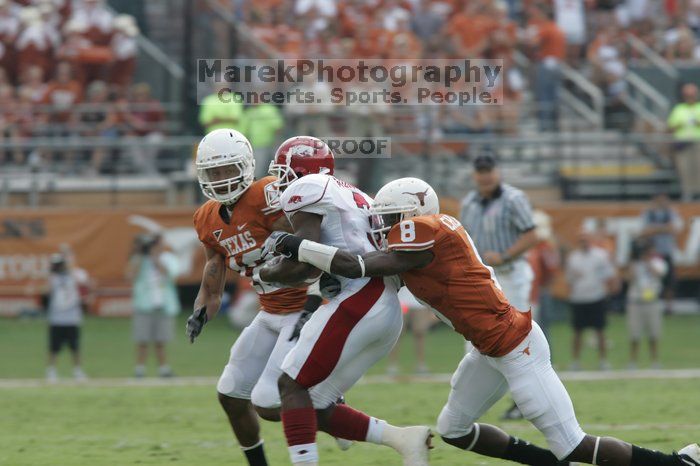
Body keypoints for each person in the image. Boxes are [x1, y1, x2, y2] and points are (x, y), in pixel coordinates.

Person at [264, 176, 700, 466]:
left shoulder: (425, 230)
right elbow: (364, 266)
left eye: (392, 218)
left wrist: (297, 246)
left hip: (517, 347)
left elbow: (359, 266)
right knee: (453, 430)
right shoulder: (420, 239)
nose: (386, 226)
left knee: (573, 444)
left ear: (414, 213)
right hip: (485, 348)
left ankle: (676, 463)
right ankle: (549, 461)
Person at [258, 136, 432, 466]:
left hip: (358, 298)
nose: (279, 182)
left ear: (301, 171)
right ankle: (404, 440)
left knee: (290, 386)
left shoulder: (309, 186)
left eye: (282, 173)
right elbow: (316, 262)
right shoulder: (357, 196)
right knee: (317, 405)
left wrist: (266, 274)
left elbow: (303, 264)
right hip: (384, 306)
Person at [184, 129, 327, 466]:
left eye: (228, 170)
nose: (221, 180)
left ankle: (332, 407)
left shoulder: (268, 194)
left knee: (268, 402)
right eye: (213, 173)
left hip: (301, 308)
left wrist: (311, 292)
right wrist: (201, 309)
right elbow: (215, 265)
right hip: (269, 311)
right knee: (231, 394)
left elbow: (310, 246)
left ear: (246, 166)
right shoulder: (205, 217)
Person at [460, 153, 538, 419]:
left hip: (511, 273)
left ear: (497, 172)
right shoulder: (469, 202)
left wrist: (505, 255)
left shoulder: (514, 199)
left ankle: (524, 401)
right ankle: (469, 402)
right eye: (481, 171)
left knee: (514, 338)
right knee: (476, 339)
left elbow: (532, 235)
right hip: (483, 279)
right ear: (475, 174)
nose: (485, 176)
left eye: (489, 170)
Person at [126, 232, 180, 378]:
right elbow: (131, 276)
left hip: (164, 305)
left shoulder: (167, 258)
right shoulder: (139, 259)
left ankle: (164, 369)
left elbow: (170, 274)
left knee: (161, 340)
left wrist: (155, 257)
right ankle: (139, 369)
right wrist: (140, 254)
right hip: (144, 304)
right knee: (142, 339)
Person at [565, 230, 618, 371]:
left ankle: (603, 360)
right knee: (577, 332)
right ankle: (575, 361)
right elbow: (569, 280)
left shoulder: (600, 256)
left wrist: (610, 293)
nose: (584, 242)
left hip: (596, 297)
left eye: (586, 239)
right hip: (578, 298)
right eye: (581, 240)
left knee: (600, 331)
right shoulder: (573, 258)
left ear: (591, 240)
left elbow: (609, 275)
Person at [45, 253, 88, 383]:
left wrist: (68, 266)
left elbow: (83, 279)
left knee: (75, 347)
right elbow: (46, 291)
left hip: (72, 317)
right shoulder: (52, 278)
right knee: (53, 347)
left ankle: (77, 371)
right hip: (57, 318)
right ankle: (51, 371)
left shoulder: (73, 275)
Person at [639, 192, 684, 314]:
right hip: (653, 254)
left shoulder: (672, 212)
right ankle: (650, 304)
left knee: (669, 282)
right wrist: (664, 228)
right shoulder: (648, 213)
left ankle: (669, 307)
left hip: (666, 251)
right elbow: (645, 231)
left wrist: (655, 229)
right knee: (650, 280)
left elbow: (675, 228)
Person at [626, 238, 667, 369]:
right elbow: (628, 278)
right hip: (636, 302)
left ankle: (655, 361)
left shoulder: (657, 262)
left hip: (652, 301)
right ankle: (633, 361)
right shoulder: (635, 264)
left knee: (653, 334)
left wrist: (647, 262)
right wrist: (634, 261)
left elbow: (659, 273)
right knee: (634, 334)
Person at [387, 288, 438, 376]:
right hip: (402, 302)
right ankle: (392, 365)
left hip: (419, 303)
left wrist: (431, 308)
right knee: (397, 333)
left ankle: (421, 365)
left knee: (420, 333)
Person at [667, 83, 700, 201]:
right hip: (683, 143)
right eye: (687, 95)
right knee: (684, 169)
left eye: (692, 95)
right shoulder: (679, 109)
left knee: (698, 168)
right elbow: (670, 127)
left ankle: (698, 193)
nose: (690, 98)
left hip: (697, 142)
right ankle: (688, 193)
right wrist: (679, 125)